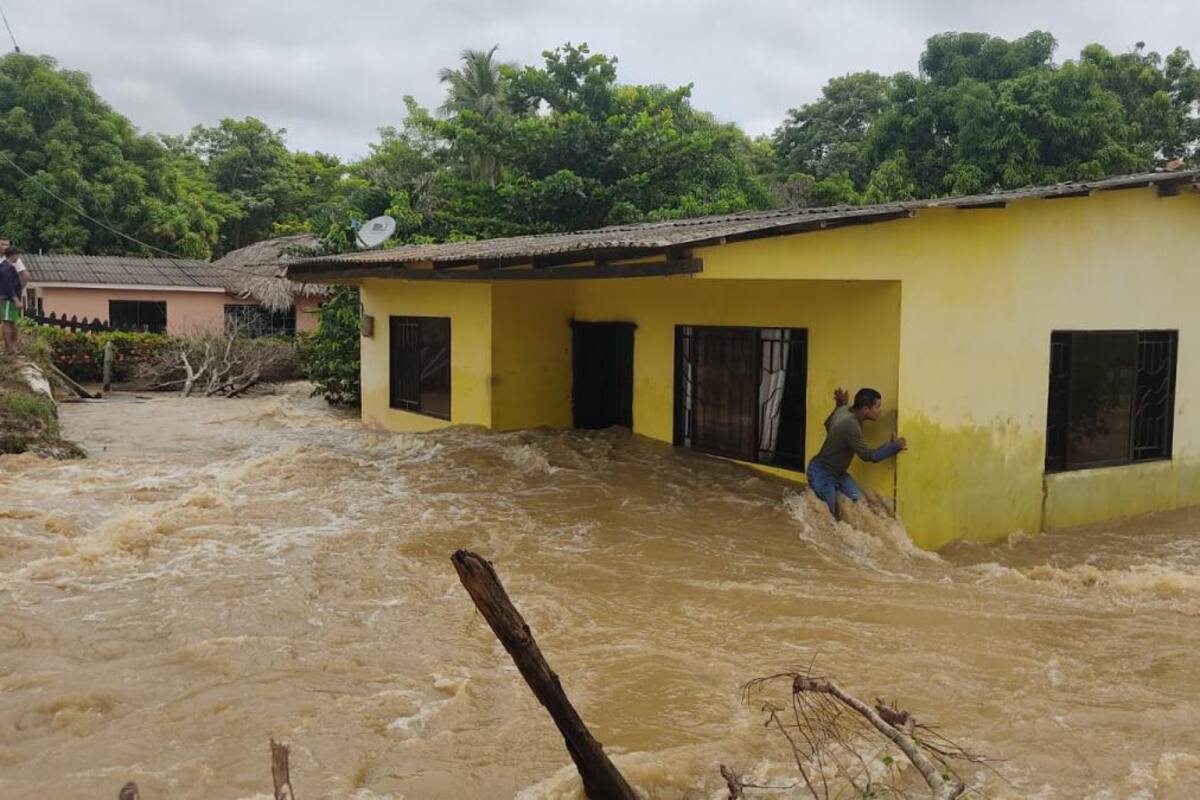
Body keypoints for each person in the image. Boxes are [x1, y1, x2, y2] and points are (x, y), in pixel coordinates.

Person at [806, 387, 907, 518]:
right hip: (822, 474)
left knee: (860, 504)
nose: (880, 411)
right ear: (866, 409)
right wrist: (894, 446)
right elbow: (869, 456)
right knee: (828, 518)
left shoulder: (844, 409)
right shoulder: (851, 426)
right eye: (877, 407)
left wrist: (839, 405)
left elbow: (828, 424)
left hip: (839, 474)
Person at [0, 246, 22, 353]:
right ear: (13, 255)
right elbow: (8, 286)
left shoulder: (7, 267)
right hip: (8, 299)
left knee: (11, 322)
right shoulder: (6, 269)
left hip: (10, 299)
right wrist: (16, 299)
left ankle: (11, 347)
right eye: (17, 254)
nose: (18, 257)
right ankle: (9, 348)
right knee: (7, 322)